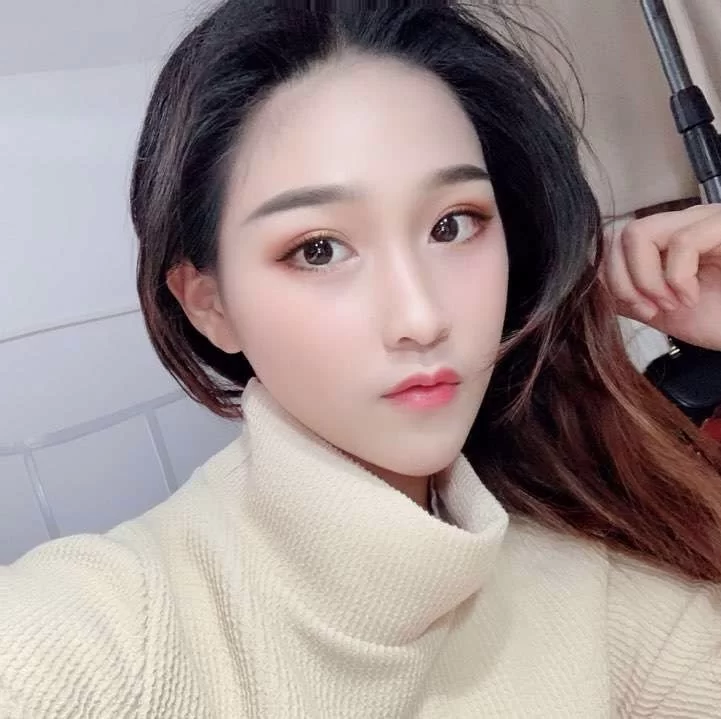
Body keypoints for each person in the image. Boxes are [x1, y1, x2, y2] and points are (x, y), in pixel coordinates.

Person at [2, 1, 721, 716]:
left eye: (453, 224)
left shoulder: (600, 586)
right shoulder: (103, 635)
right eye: (318, 249)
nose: (420, 317)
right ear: (209, 304)